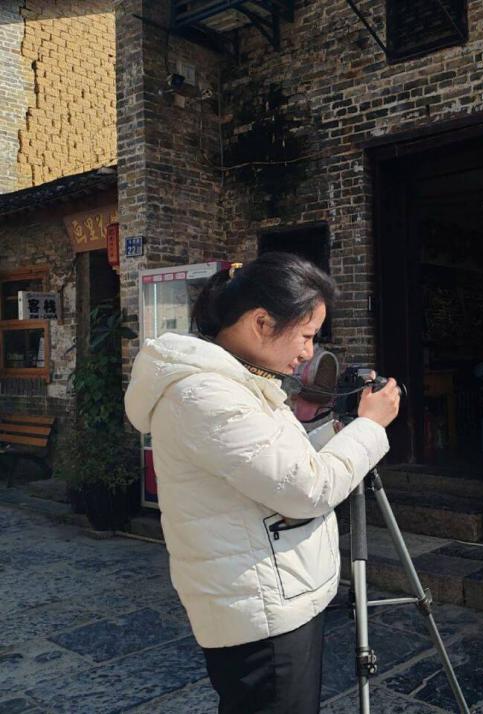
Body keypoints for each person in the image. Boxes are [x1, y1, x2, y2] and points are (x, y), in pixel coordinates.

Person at [124, 253, 401, 713]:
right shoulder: (206, 394)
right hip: (260, 612)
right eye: (307, 335)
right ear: (261, 322)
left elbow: (276, 464)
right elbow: (307, 488)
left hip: (272, 594)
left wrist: (339, 430)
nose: (309, 352)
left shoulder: (235, 381)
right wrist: (371, 428)